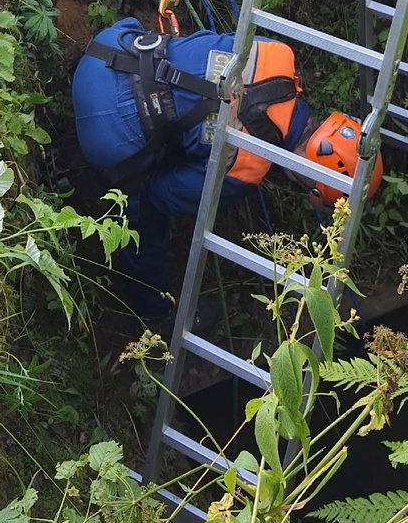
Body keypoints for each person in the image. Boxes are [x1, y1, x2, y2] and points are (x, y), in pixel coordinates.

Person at [72, 18, 383, 327]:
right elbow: (162, 194)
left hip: (104, 51)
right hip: (103, 138)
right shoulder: (248, 168)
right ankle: (156, 313)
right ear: (313, 185)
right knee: (145, 210)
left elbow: (204, 43)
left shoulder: (278, 53)